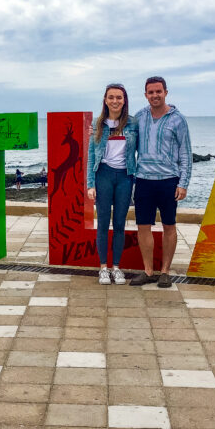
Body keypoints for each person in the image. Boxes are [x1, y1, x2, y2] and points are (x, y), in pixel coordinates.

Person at [129, 76, 191, 288]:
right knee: (143, 226)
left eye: (158, 91)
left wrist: (183, 182)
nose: (155, 95)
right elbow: (123, 139)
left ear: (166, 92)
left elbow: (185, 152)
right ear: (145, 94)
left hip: (169, 181)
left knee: (169, 225)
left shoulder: (178, 119)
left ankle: (165, 271)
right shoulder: (138, 117)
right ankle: (148, 270)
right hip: (144, 180)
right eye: (151, 92)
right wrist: (93, 133)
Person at [86, 83, 138, 285]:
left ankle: (116, 267)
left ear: (124, 100)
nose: (115, 101)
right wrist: (91, 184)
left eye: (119, 97)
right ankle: (103, 268)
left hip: (125, 177)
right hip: (103, 176)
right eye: (111, 97)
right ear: (105, 100)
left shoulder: (133, 123)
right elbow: (92, 155)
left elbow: (141, 150)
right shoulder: (98, 123)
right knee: (103, 224)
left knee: (119, 224)